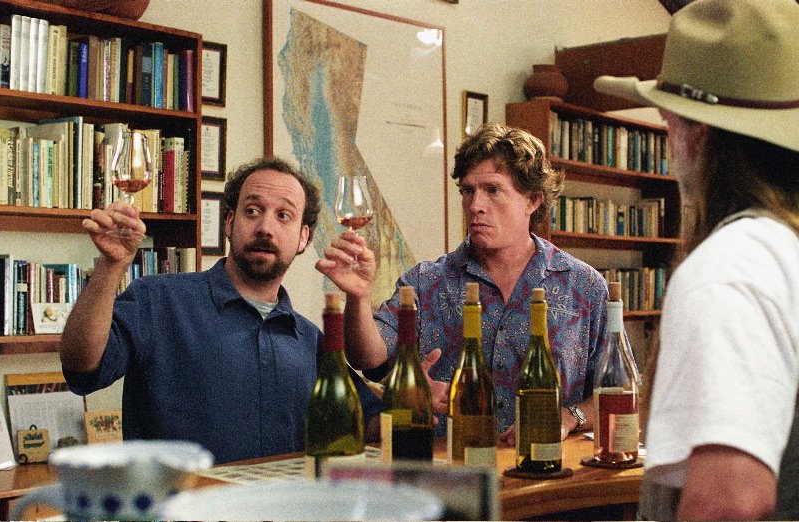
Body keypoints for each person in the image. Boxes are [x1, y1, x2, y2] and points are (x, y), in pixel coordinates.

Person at [594, 0, 799, 519]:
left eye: (667, 122)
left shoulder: (733, 264)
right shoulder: (784, 248)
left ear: (697, 132)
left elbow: (729, 499)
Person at [59, 156, 382, 464]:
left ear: (302, 237)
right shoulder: (157, 299)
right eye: (252, 211)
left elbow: (367, 422)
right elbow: (82, 365)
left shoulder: (310, 340)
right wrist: (111, 266)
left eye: (283, 215)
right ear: (229, 222)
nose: (265, 227)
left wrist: (411, 397)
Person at [316, 122, 609, 443]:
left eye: (493, 190)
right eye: (468, 191)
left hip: (541, 463)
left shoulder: (584, 286)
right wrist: (359, 297)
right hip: (446, 462)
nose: (475, 205)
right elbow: (368, 357)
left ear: (533, 200)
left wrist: (570, 416)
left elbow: (617, 390)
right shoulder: (424, 282)